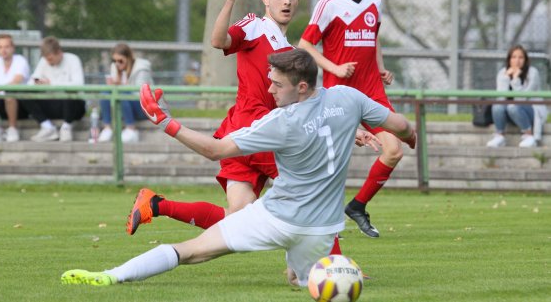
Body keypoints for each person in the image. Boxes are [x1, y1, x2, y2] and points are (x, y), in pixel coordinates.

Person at [61, 49, 416, 288]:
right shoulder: (348, 98)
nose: (270, 88)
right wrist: (410, 135)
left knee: (190, 250)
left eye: (278, 83)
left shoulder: (281, 121)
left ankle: (109, 276)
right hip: (321, 229)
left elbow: (216, 150)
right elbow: (399, 126)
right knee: (301, 280)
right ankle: (305, 270)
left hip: (276, 219)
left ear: (303, 86)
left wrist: (166, 122)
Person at [124, 0, 306, 240]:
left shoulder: (293, 53)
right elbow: (218, 40)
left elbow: (306, 102)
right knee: (308, 188)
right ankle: (329, 264)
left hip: (252, 133)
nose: (287, 1)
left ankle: (155, 205)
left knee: (238, 217)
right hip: (253, 127)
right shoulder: (255, 26)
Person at [298, 0, 402, 238]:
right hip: (339, 94)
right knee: (331, 161)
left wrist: (381, 68)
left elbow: (374, 39)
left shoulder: (375, 4)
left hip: (372, 92)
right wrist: (335, 67)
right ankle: (320, 222)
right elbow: (305, 44)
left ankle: (357, 206)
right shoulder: (328, 5)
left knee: (394, 151)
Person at [19, 36, 86, 142]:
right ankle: (47, 127)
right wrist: (38, 83)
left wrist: (51, 84)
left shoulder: (73, 59)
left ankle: (66, 127)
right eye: (46, 59)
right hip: (53, 103)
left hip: (73, 107)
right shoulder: (44, 61)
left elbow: (78, 84)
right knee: (24, 94)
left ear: (59, 52)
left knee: (70, 92)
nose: (48, 62)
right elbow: (31, 82)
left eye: (50, 58)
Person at [486, 45, 545, 148]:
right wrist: (505, 79)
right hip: (511, 111)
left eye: (521, 57)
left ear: (525, 60)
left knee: (512, 106)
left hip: (531, 111)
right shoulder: (502, 73)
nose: (517, 61)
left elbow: (522, 98)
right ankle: (499, 136)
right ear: (509, 59)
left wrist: (515, 79)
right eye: (513, 57)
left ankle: (528, 135)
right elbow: (500, 98)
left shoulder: (532, 73)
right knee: (497, 106)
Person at [97, 43, 154, 144]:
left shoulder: (141, 69)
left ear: (128, 58)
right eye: (114, 61)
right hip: (127, 106)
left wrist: (121, 85)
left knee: (121, 92)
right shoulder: (115, 68)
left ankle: (131, 129)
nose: (117, 64)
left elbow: (141, 94)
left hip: (146, 108)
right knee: (106, 92)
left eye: (120, 61)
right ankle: (107, 128)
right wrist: (114, 85)